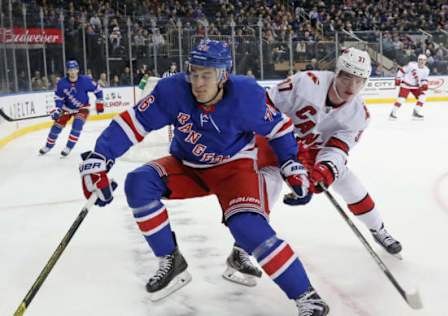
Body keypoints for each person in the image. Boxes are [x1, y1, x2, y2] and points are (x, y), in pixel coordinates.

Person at [79, 39, 329, 316]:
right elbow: (132, 123)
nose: (198, 83)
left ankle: (308, 297)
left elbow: (280, 129)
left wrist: (291, 163)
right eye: (194, 73)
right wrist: (100, 157)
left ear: (223, 75)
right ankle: (170, 261)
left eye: (206, 75)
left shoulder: (246, 96)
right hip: (187, 166)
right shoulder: (172, 91)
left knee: (247, 227)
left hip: (234, 170)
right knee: (138, 183)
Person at [268, 48, 402, 257]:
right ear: (337, 72)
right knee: (267, 188)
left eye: (359, 80)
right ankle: (241, 248)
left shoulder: (359, 114)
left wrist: (325, 170)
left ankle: (379, 229)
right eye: (347, 78)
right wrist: (286, 150)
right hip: (278, 144)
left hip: (316, 152)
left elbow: (337, 149)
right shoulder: (305, 83)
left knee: (352, 187)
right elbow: (266, 108)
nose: (352, 87)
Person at [39, 60, 104, 157]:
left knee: (77, 125)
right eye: (70, 70)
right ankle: (48, 146)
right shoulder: (62, 83)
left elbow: (98, 89)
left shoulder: (85, 80)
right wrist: (58, 109)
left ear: (78, 70)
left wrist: (99, 101)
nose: (72, 72)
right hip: (67, 108)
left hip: (82, 108)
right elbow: (59, 97)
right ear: (67, 71)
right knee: (56, 127)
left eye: (74, 69)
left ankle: (69, 147)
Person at [390, 54, 430, 119]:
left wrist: (424, 84)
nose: (422, 61)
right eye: (420, 60)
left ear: (426, 61)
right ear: (418, 60)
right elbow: (401, 70)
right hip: (406, 85)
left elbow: (423, 79)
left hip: (415, 87)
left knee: (423, 97)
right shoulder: (412, 65)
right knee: (401, 100)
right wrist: (398, 79)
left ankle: (415, 112)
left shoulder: (426, 70)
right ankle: (392, 113)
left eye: (424, 60)